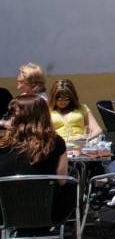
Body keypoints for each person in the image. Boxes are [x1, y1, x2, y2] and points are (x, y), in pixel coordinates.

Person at [0, 95, 76, 227]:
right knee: (71, 185)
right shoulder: (55, 142)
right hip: (47, 212)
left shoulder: (2, 144)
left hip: (5, 213)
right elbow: (62, 179)